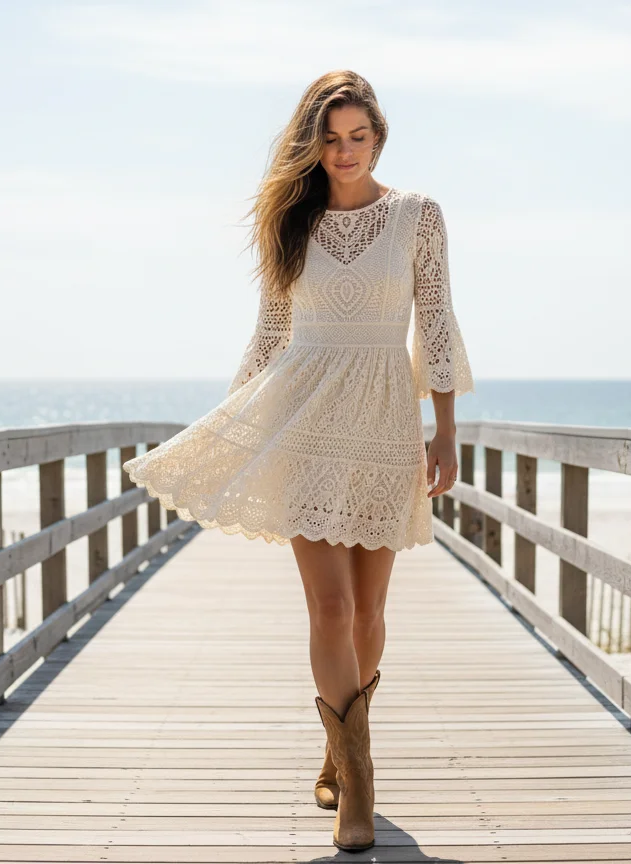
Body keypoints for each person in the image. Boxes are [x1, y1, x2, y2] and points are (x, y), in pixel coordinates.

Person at [123, 69, 473, 852]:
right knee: (331, 610)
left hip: (385, 421)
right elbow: (271, 333)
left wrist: (444, 430)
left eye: (358, 136)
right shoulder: (292, 221)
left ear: (378, 136)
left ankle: (335, 749)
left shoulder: (417, 215)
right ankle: (361, 785)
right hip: (304, 421)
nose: (345, 151)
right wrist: (233, 424)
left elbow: (438, 321)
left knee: (373, 612)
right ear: (311, 142)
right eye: (331, 137)